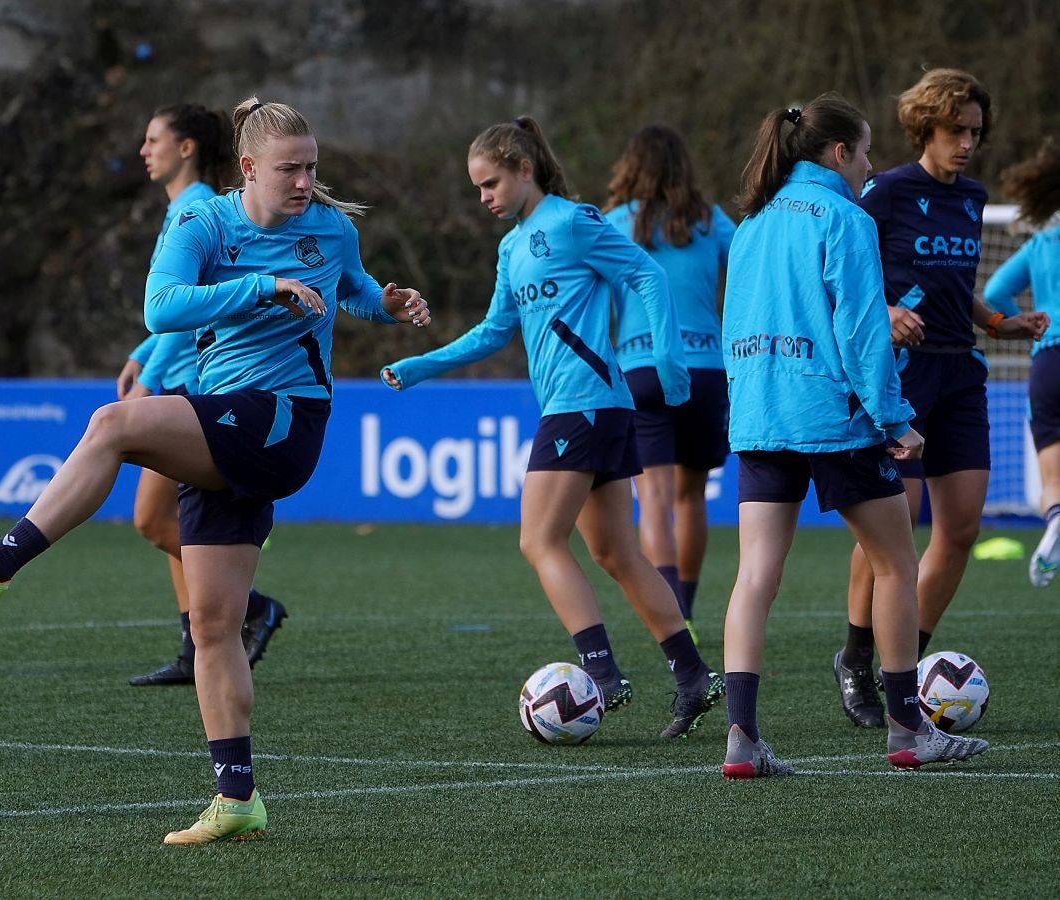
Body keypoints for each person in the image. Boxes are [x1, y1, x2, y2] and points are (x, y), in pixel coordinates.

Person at [0, 97, 430, 844]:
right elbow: (162, 309)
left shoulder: (329, 227)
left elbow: (351, 286)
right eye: (289, 169)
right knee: (215, 623)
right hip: (221, 419)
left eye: (312, 168)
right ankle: (237, 799)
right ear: (248, 168)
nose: (304, 183)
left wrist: (386, 302)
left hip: (282, 419)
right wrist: (264, 285)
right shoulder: (204, 223)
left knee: (112, 424)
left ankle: (1, 561)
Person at [381, 115, 723, 740]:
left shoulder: (573, 221)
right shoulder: (512, 247)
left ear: (523, 168)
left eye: (489, 183)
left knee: (538, 541)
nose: (483, 197)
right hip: (585, 407)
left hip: (585, 403)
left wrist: (669, 358)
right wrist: (420, 365)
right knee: (616, 552)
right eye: (476, 187)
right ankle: (693, 674)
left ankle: (603, 673)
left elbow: (644, 274)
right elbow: (493, 332)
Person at [718, 92, 990, 778]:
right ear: (838, 153)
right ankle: (907, 731)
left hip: (758, 414)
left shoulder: (748, 222)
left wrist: (745, 403)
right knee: (896, 563)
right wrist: (894, 418)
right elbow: (861, 331)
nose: (870, 164)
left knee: (754, 577)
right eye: (864, 151)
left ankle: (741, 740)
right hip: (832, 416)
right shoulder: (845, 216)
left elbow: (732, 326)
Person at [835, 69, 1048, 728]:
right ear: (925, 126)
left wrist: (996, 322)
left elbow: (959, 286)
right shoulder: (886, 192)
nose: (966, 144)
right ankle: (854, 657)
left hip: (960, 373)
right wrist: (888, 309)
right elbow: (842, 275)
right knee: (890, 529)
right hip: (899, 375)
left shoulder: (972, 196)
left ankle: (911, 666)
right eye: (956, 130)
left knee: (957, 531)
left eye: (975, 133)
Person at [114, 104, 288, 687]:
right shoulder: (188, 209)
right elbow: (173, 308)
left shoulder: (197, 210)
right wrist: (143, 357)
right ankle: (199, 643)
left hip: (201, 388)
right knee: (165, 522)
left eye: (153, 138)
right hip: (181, 379)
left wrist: (148, 376)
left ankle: (247, 610)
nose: (144, 149)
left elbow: (185, 317)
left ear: (186, 148)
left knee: (153, 519)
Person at [604, 125, 736, 634]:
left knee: (654, 496)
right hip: (706, 368)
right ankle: (688, 605)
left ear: (629, 167)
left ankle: (670, 617)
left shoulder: (612, 222)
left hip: (639, 368)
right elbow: (747, 269)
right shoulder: (710, 220)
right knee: (691, 496)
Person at [984, 138, 1060, 584]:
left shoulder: (1042, 243)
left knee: (1052, 461)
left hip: (1049, 356)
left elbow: (994, 293)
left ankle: (1055, 517)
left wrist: (1025, 322)